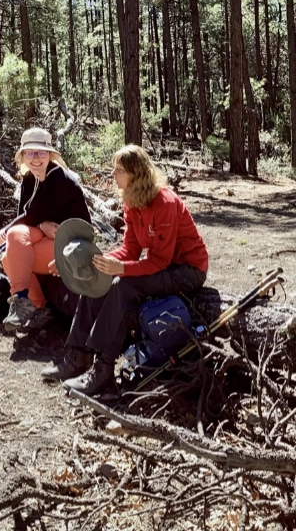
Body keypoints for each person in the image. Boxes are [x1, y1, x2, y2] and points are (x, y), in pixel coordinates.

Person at [45, 145, 209, 395]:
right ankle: (77, 356)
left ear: (136, 174)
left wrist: (121, 269)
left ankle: (103, 370)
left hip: (187, 271)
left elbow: (160, 261)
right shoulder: (131, 201)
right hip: (163, 266)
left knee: (122, 286)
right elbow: (130, 249)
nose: (113, 174)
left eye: (119, 170)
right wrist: (95, 262)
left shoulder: (165, 203)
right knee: (98, 278)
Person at [0, 127, 92, 334]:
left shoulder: (60, 179)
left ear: (50, 155)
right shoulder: (29, 179)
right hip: (45, 237)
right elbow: (25, 221)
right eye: (30, 153)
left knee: (10, 257)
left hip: (73, 245)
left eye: (41, 152)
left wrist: (2, 234)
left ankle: (27, 303)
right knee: (14, 240)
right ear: (23, 157)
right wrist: (41, 225)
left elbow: (33, 214)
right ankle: (33, 305)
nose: (36, 158)